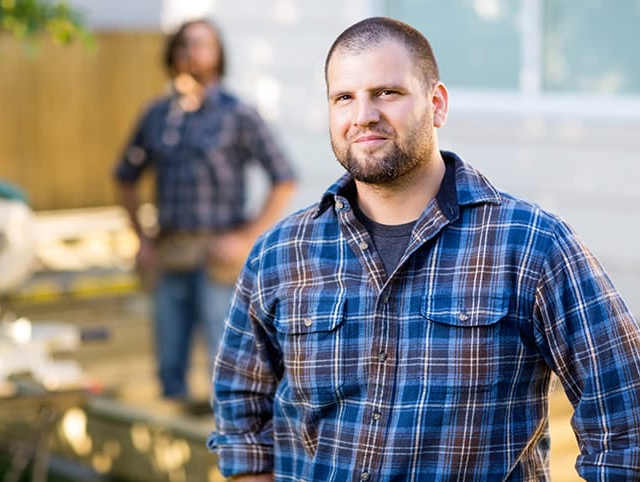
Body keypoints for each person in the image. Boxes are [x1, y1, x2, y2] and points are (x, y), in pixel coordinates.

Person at [208, 16, 640, 481]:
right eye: (344, 98)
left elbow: (625, 412)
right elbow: (240, 407)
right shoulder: (281, 253)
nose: (363, 115)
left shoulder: (531, 245)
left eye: (386, 93)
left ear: (436, 105)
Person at [114, 19, 297, 403]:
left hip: (219, 259)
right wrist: (141, 239)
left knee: (227, 366)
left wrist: (247, 238)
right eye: (183, 44)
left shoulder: (237, 113)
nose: (190, 53)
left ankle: (233, 454)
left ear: (217, 55)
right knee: (169, 368)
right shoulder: (157, 115)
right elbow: (124, 176)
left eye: (201, 45)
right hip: (169, 254)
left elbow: (284, 177)